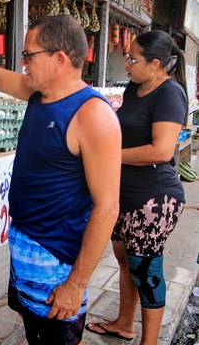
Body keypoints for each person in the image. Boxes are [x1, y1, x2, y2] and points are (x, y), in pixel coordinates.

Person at [0, 15, 122, 344]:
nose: (22, 62)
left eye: (29, 55)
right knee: (35, 334)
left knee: (59, 337)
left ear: (60, 58)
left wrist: (76, 284)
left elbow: (107, 208)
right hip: (25, 247)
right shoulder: (38, 94)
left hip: (57, 260)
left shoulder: (92, 115)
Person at [86, 31, 188, 344]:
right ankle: (124, 323)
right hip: (124, 192)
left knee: (145, 268)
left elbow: (161, 151)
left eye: (132, 58)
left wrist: (108, 155)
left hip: (154, 198)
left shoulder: (170, 93)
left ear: (156, 64)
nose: (126, 63)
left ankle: (150, 341)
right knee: (125, 260)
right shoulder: (134, 87)